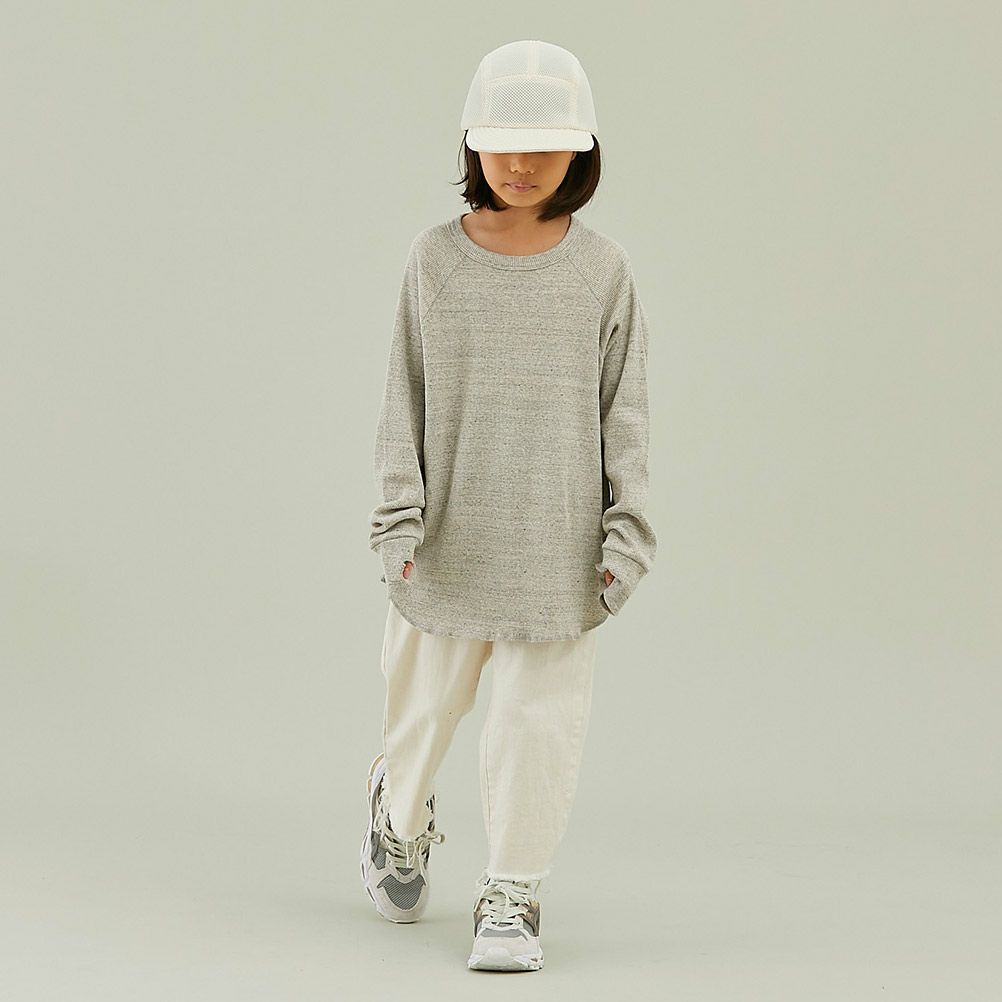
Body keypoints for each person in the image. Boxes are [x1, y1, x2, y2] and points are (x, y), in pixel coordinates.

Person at [359, 38, 657, 973]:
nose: (520, 164)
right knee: (422, 718)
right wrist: (397, 519)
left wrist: (625, 539)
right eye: (500, 144)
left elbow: (626, 413)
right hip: (445, 542)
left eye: (544, 146)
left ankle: (512, 892)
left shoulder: (603, 271)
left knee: (539, 726)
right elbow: (402, 397)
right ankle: (398, 813)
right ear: (472, 146)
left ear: (581, 151)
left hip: (558, 549)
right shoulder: (434, 261)